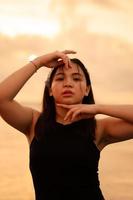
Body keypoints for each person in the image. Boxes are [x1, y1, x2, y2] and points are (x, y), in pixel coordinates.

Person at [0, 50, 133, 200]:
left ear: (86, 89)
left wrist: (99, 108)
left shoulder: (99, 129)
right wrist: (39, 62)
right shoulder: (34, 123)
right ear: (50, 89)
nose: (68, 83)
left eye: (76, 79)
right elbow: (2, 99)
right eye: (60, 78)